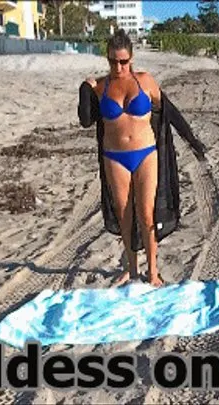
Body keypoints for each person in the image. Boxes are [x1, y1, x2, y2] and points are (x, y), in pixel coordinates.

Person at [78, 30, 207, 288]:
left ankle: (153, 271)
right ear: (107, 59)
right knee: (124, 214)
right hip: (114, 157)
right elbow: (85, 120)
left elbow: (170, 112)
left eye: (123, 62)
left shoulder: (145, 81)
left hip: (146, 153)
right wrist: (85, 89)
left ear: (132, 58)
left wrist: (192, 141)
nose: (118, 67)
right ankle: (132, 269)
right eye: (113, 61)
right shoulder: (101, 86)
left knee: (147, 214)